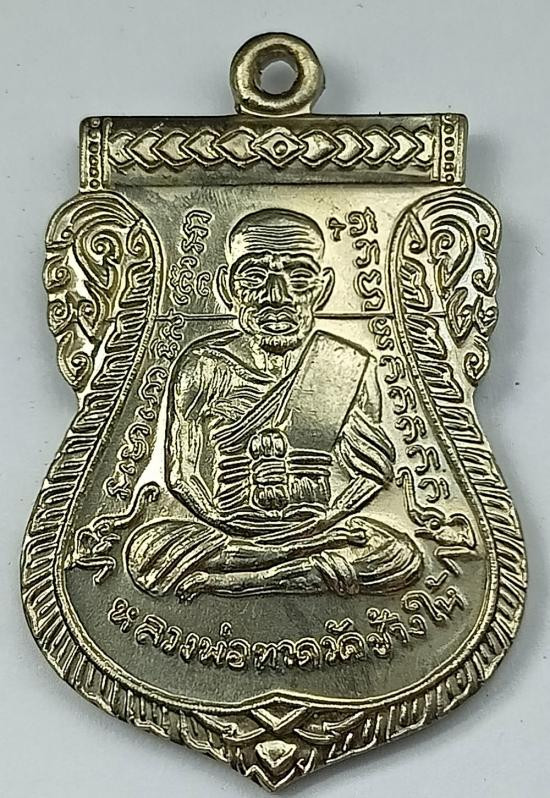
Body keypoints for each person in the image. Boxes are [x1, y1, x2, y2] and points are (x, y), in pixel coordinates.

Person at [126, 208, 422, 600]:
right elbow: (181, 474)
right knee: (147, 550)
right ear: (228, 288)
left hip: (320, 525)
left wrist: (324, 524)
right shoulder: (204, 365)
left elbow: (370, 474)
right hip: (228, 529)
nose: (277, 296)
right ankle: (287, 560)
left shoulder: (345, 364)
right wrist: (225, 522)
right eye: (254, 276)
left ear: (324, 287)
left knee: (397, 555)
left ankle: (246, 578)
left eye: (299, 276)